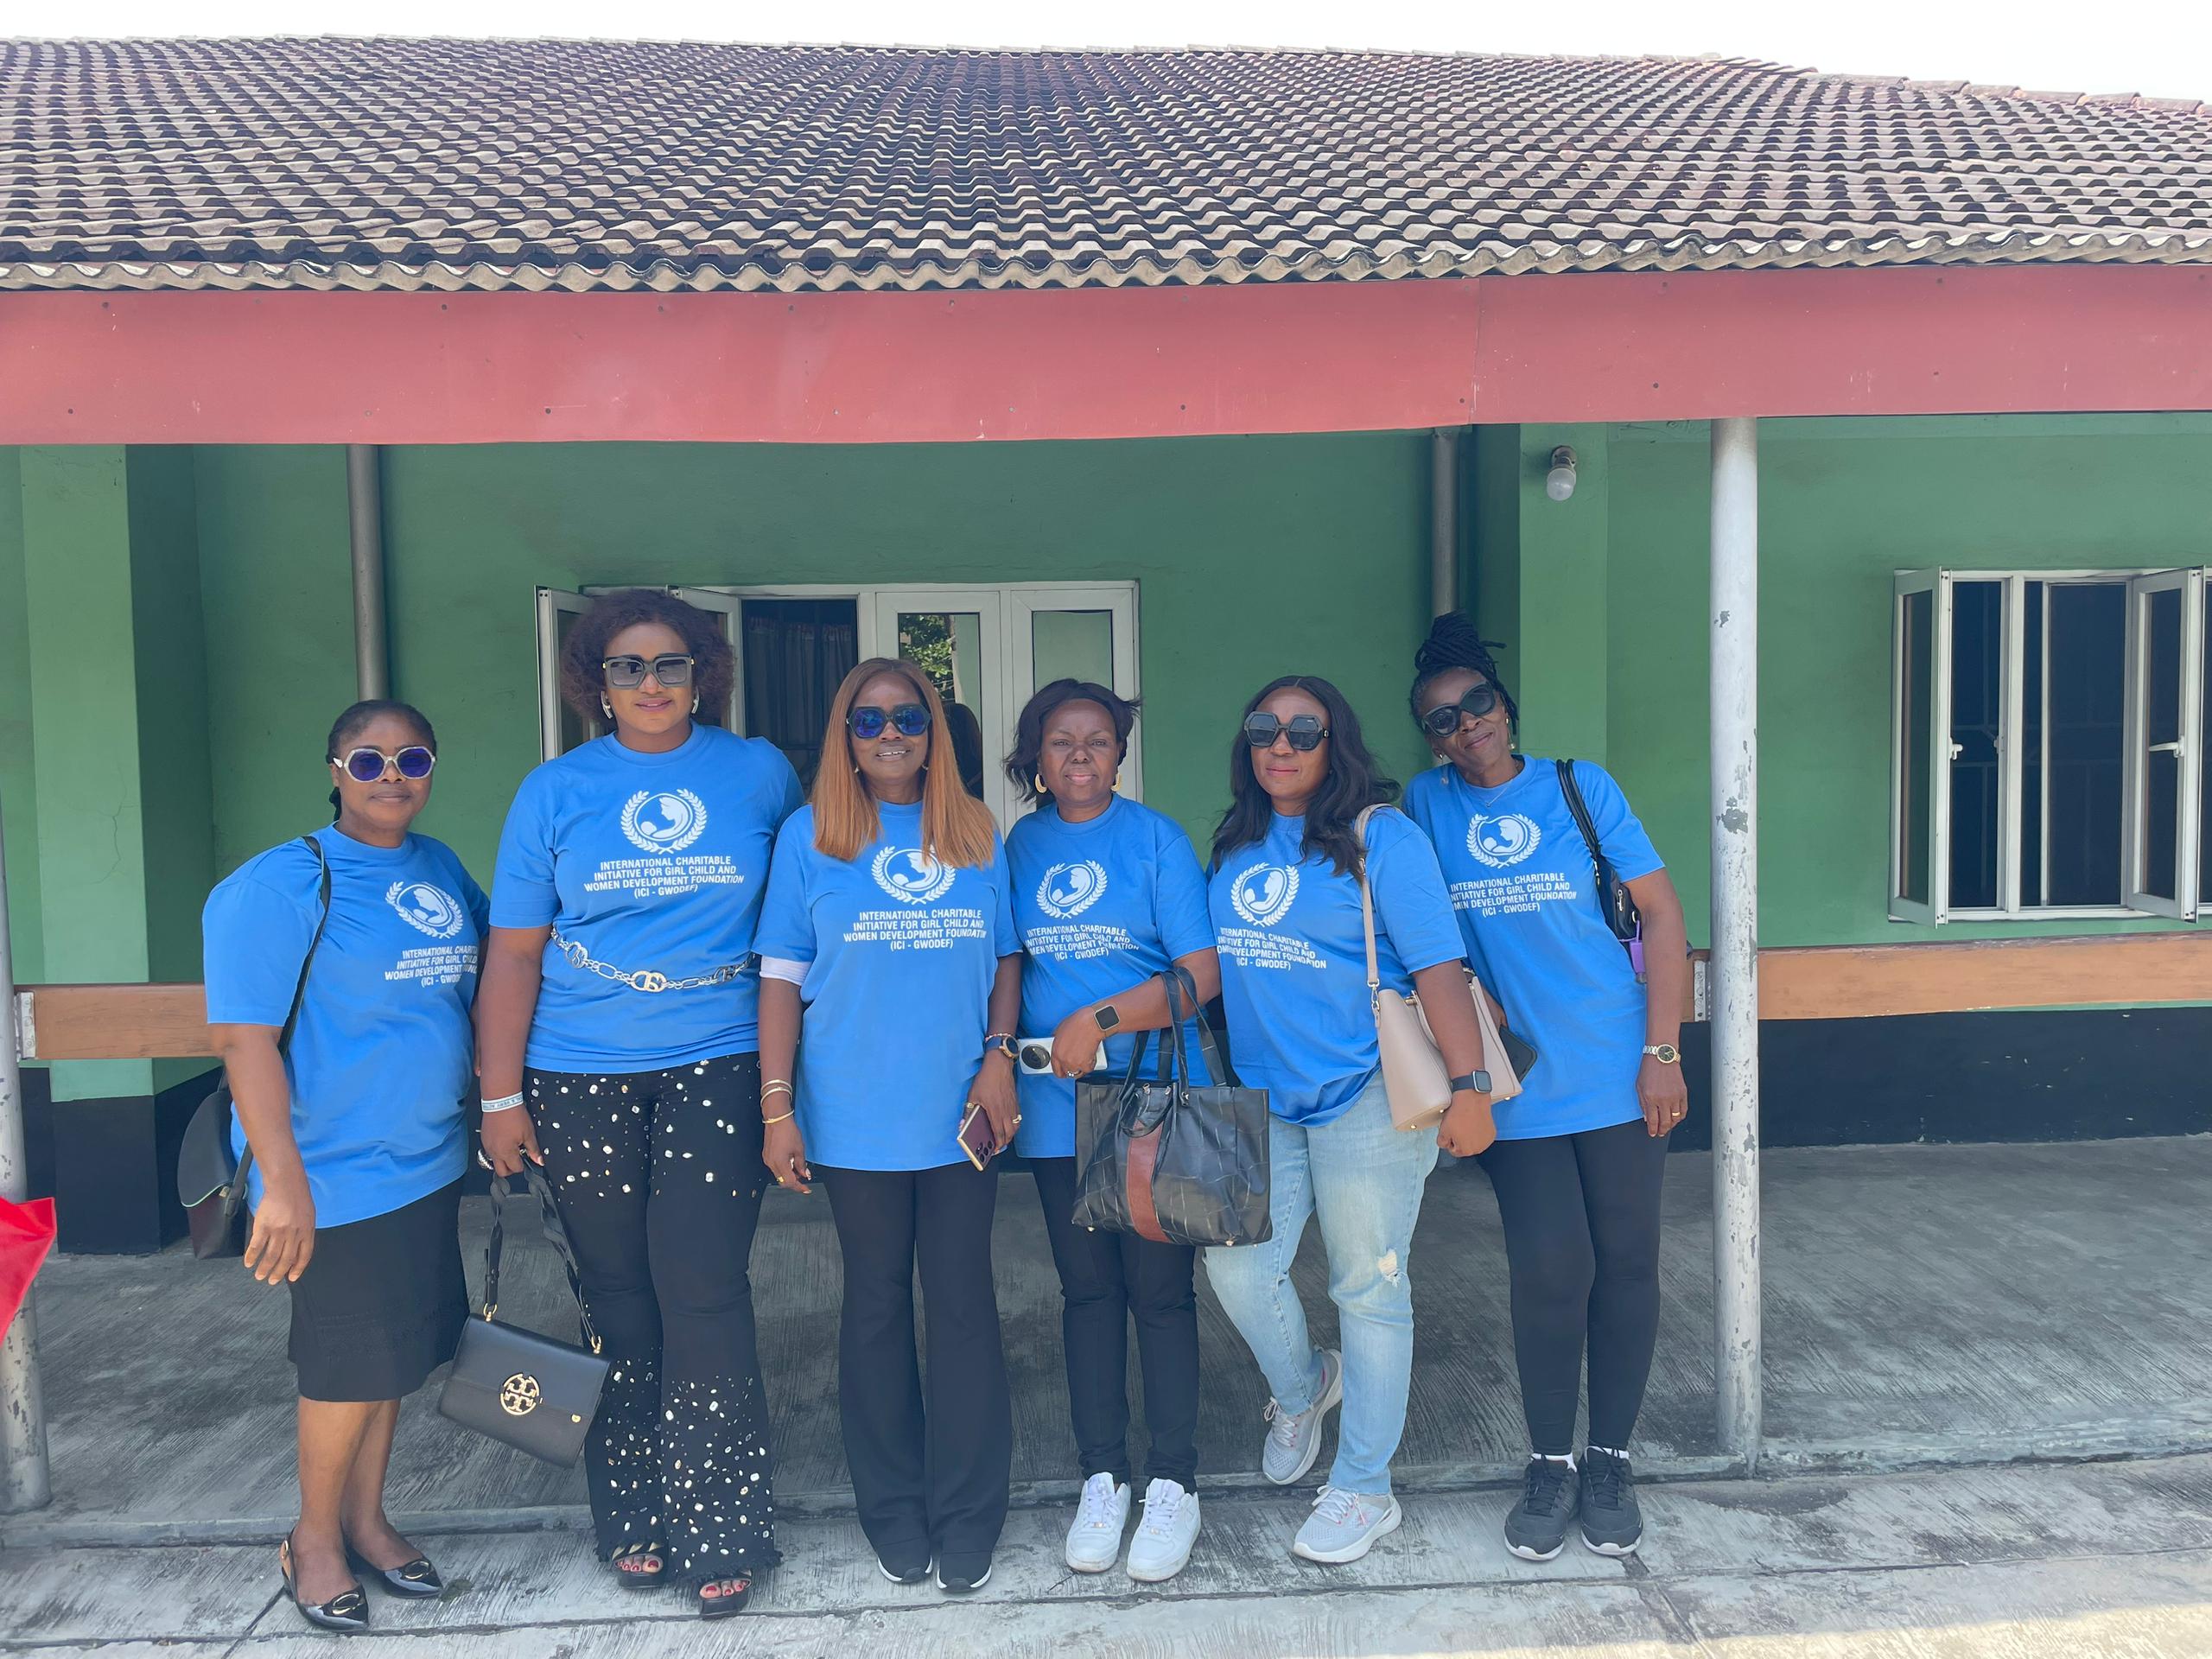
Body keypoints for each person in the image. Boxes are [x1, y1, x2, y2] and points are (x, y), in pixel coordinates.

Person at [476, 589, 804, 1619]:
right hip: (576, 1071)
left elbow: (801, 917)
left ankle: (722, 1524)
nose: (650, 683)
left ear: (703, 674)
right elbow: (514, 953)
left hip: (719, 1059)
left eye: (670, 664)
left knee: (703, 1288)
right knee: (616, 1296)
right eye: (628, 666)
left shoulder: (759, 773)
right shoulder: (554, 791)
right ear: (596, 682)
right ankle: (631, 1513)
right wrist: (499, 1096)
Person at [1403, 613, 1692, 1562]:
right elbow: (1410, 926)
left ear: (1505, 705)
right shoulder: (1425, 806)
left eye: (1477, 703)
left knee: (1627, 1262)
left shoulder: (1579, 786)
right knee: (1549, 1270)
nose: (1466, 726)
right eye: (1443, 719)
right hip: (1514, 1081)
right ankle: (1549, 1461)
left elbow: (1662, 917)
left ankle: (1609, 1460)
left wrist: (1663, 1051)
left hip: (1618, 1066)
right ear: (1430, 739)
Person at [204, 700, 486, 1633]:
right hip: (332, 1171)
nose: (391, 775)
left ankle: (366, 1520)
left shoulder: (439, 866)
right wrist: (282, 1182)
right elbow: (244, 1041)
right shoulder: (281, 883)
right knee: (343, 1366)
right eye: (368, 761)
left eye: (411, 758)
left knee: (392, 1356)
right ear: (335, 770)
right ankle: (313, 1538)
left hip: (425, 1156)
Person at [1202, 675, 1494, 1566]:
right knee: (1235, 1266)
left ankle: (1365, 1487)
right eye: (1265, 727)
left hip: (1367, 1092)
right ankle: (1304, 1390)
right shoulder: (1236, 841)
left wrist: (1471, 1086)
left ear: (1337, 746)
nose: (1281, 745)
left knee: (1367, 1287)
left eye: (1304, 730)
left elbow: (1438, 967)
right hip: (1263, 1095)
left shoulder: (1381, 837)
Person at [754, 657, 1022, 1596]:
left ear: (934, 730)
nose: (890, 734)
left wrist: (999, 1055)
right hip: (852, 1111)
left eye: (908, 717)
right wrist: (777, 1107)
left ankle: (968, 1513)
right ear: (845, 737)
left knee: (962, 1304)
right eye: (868, 721)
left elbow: (1005, 958)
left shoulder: (976, 830)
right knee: (873, 1309)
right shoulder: (810, 836)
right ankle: (894, 1509)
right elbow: (780, 978)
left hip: (961, 1113)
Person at [1001, 679, 1221, 1583]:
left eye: (1098, 739)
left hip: (1152, 1096)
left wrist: (1098, 1019)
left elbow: (1200, 974)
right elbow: (1008, 961)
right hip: (1058, 1105)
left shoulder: (1156, 839)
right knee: (1087, 1293)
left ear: (1120, 754)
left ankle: (1173, 1481)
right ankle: (1104, 1477)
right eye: (1061, 741)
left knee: (1159, 1295)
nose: (1081, 754)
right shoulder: (1020, 844)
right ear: (1036, 759)